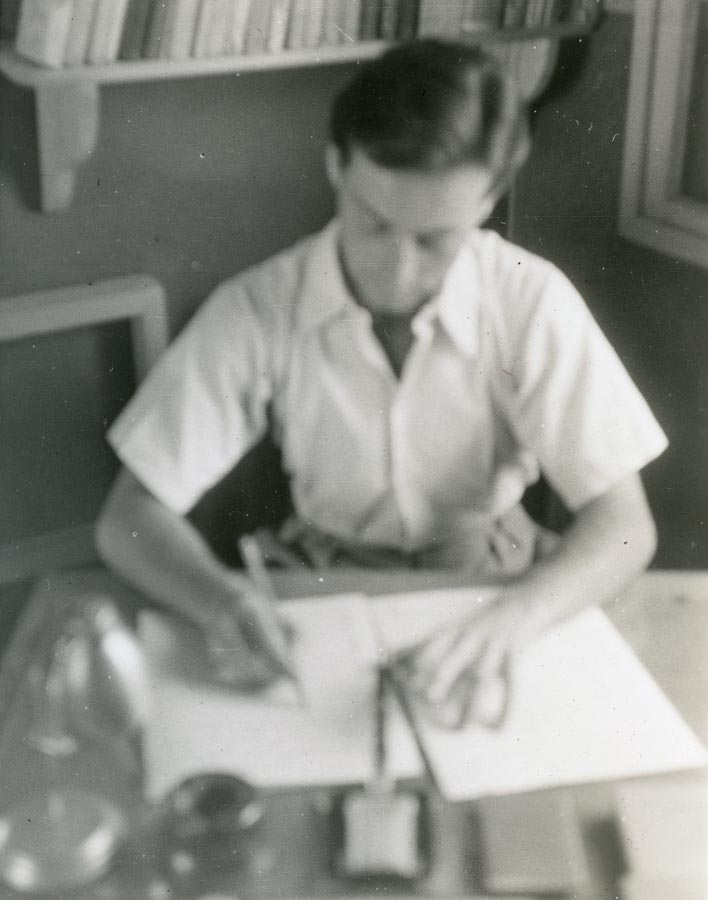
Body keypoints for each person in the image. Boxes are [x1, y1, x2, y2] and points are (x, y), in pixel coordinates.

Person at [95, 40, 667, 726]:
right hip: (320, 584)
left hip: (497, 582)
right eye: (373, 224)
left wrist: (514, 619)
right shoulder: (261, 306)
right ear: (337, 166)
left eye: (436, 240)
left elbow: (626, 525)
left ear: (489, 199)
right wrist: (220, 600)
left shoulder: (528, 300)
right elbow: (130, 517)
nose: (397, 275)